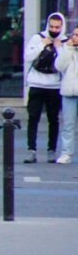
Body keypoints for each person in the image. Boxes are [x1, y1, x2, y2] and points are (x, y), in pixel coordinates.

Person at [23, 13, 66, 163]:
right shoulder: (38, 38)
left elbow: (64, 64)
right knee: (33, 117)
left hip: (55, 86)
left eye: (57, 27)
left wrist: (59, 48)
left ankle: (51, 150)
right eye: (51, 26)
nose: (54, 30)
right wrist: (43, 44)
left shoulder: (65, 41)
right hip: (36, 83)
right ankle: (31, 149)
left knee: (53, 119)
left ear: (62, 27)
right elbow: (28, 56)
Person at [53, 26, 78, 165]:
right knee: (68, 125)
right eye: (73, 34)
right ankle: (66, 152)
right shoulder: (67, 49)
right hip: (69, 91)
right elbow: (59, 66)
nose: (74, 37)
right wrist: (67, 49)